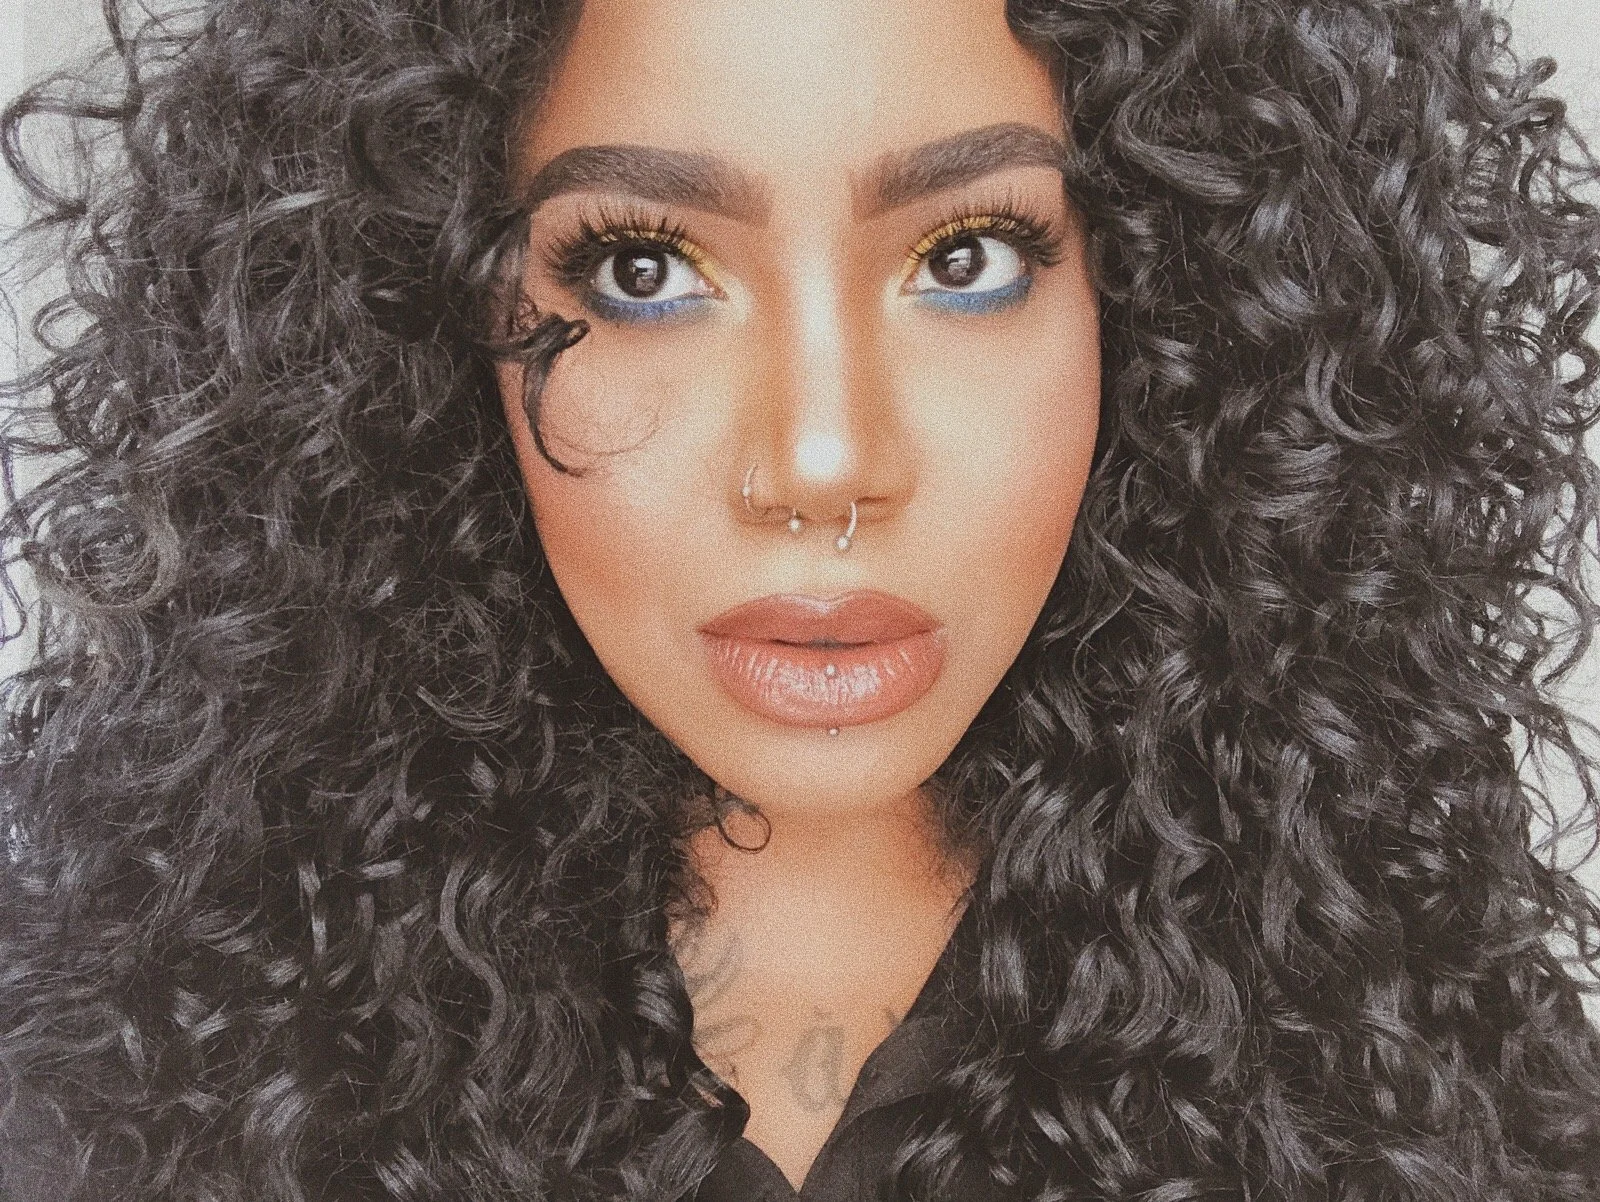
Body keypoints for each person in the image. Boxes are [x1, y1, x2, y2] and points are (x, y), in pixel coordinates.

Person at [2, 0, 1599, 1198]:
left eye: (968, 257)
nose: (824, 460)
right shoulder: (95, 1105)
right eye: (644, 270)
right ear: (421, 318)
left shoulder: (1465, 1108)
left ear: (1170, 306)